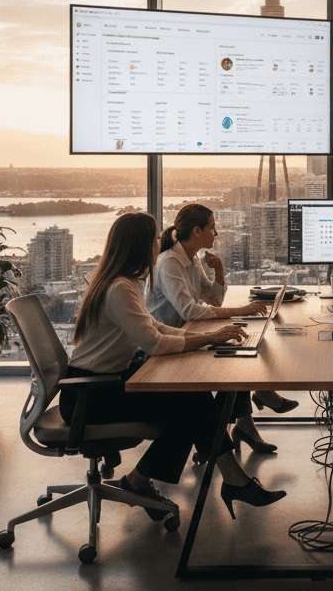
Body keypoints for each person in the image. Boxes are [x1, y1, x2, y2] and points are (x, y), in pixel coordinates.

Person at [64, 212, 286, 522]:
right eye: (154, 239)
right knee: (191, 403)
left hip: (107, 381)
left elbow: (155, 326)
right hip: (89, 396)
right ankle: (230, 481)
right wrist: (206, 338)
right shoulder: (120, 289)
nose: (160, 242)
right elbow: (155, 343)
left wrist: (207, 338)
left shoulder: (125, 283)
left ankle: (155, 481)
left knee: (190, 399)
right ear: (140, 245)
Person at [147, 204, 299, 455]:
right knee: (234, 357)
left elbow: (214, 301)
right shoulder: (169, 263)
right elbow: (190, 312)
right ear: (197, 231)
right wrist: (241, 311)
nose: (216, 233)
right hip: (169, 345)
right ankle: (248, 411)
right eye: (212, 227)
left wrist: (218, 270)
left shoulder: (191, 258)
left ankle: (245, 422)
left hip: (189, 336)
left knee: (238, 345)